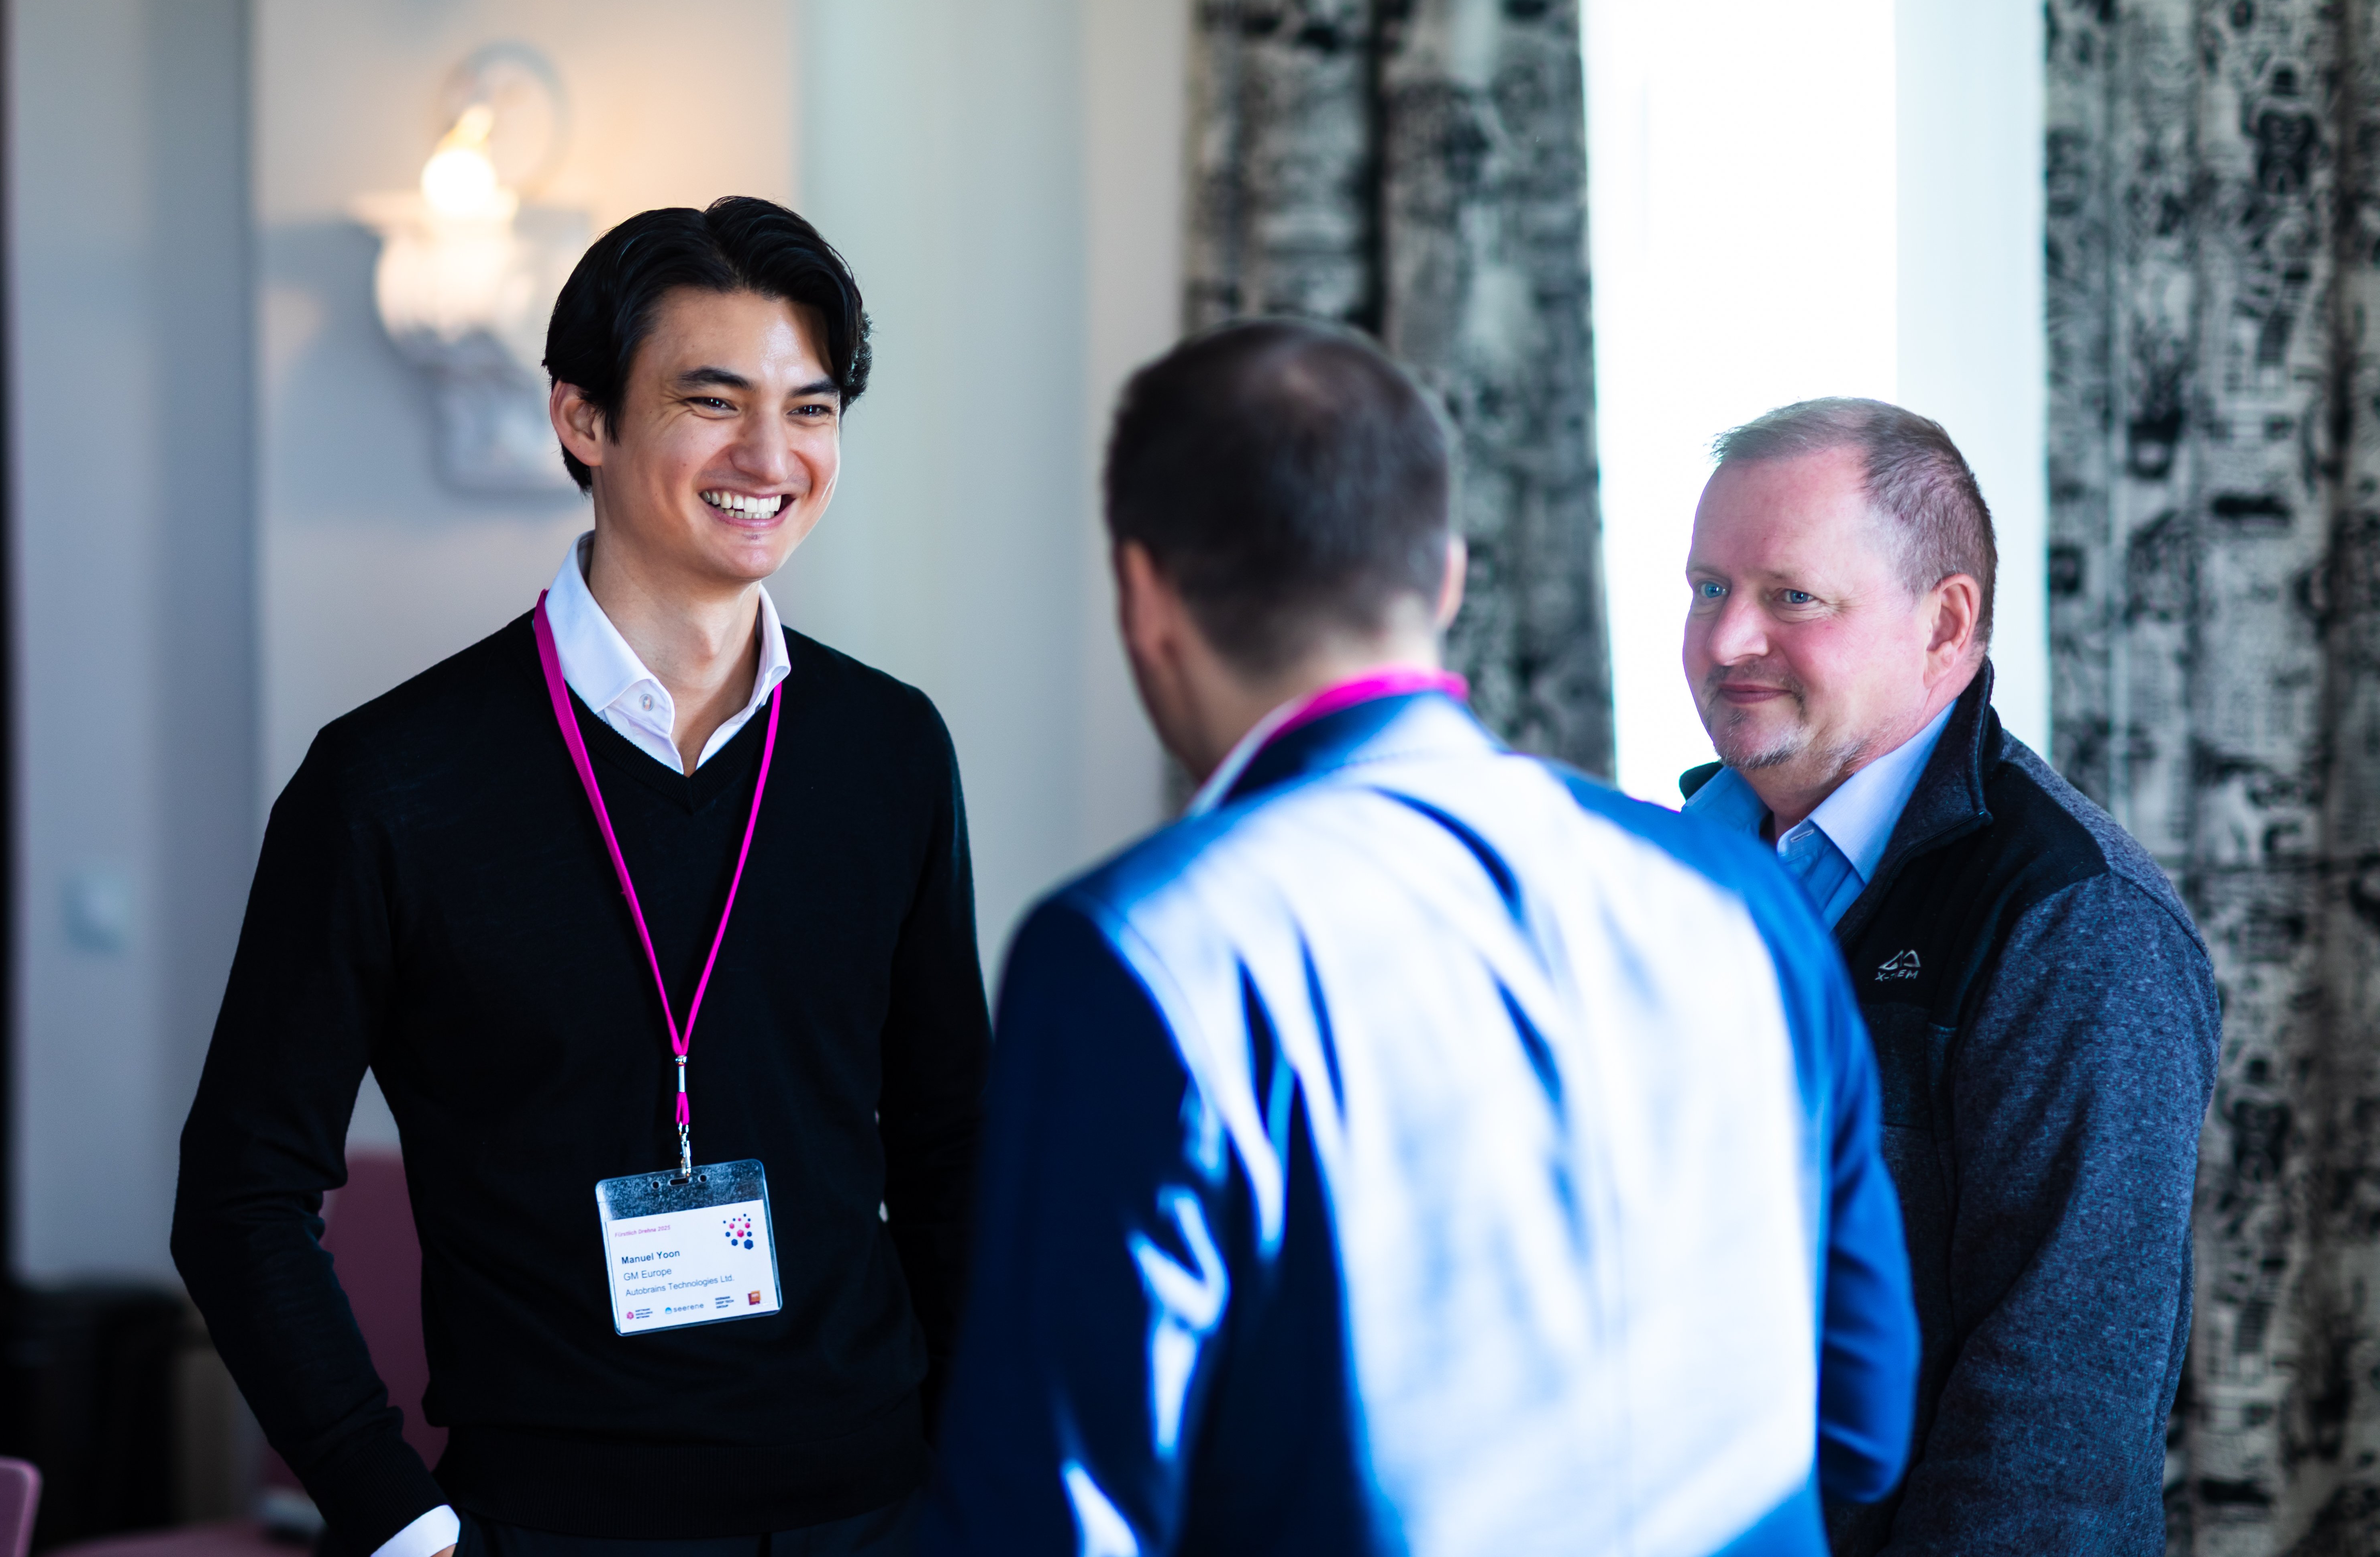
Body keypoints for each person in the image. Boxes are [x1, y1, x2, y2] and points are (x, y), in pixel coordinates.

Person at [922, 320, 1918, 1557]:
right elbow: (1863, 1426)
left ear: (1143, 591)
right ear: (1446, 577)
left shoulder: (1143, 949)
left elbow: (1057, 1513)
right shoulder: (1735, 891)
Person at [174, 199, 990, 1557]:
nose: (770, 457)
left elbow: (954, 1146)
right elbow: (239, 1192)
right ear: (584, 420)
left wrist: (976, 1469)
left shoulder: (889, 749)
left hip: (880, 1506)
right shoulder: (391, 783)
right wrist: (398, 1523)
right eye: (713, 401)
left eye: (812, 408)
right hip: (555, 1523)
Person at [1676, 397, 2217, 1553]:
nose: (1724, 643)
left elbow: (2050, 1440)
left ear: (1945, 623)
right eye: (1709, 589)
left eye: (1791, 597)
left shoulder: (2077, 923)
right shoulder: (1665, 876)